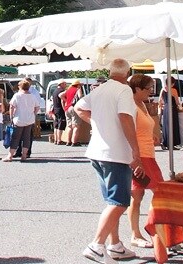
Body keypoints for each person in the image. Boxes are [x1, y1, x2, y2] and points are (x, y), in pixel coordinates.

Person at [75, 58, 142, 262]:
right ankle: (97, 244)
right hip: (115, 153)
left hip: (98, 152)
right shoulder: (123, 91)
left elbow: (78, 108)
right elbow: (125, 118)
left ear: (111, 71)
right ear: (127, 73)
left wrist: (96, 122)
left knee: (112, 202)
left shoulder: (100, 89)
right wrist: (135, 150)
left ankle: (115, 245)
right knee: (119, 202)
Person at [125, 73, 164, 250]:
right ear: (138, 88)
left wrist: (152, 135)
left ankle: (150, 229)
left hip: (148, 154)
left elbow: (142, 127)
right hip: (140, 157)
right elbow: (128, 131)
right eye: (148, 88)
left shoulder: (141, 104)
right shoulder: (131, 105)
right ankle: (138, 233)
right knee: (141, 195)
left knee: (144, 195)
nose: (151, 92)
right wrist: (135, 158)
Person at [5, 80, 38, 162]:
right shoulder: (32, 96)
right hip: (29, 119)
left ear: (20, 87)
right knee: (27, 138)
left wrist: (11, 116)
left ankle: (10, 156)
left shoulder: (17, 95)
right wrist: (33, 114)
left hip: (19, 119)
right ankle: (24, 155)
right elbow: (37, 107)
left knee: (15, 138)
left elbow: (12, 107)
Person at [158, 81, 182, 150]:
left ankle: (165, 142)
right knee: (173, 126)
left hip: (165, 108)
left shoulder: (163, 89)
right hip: (172, 108)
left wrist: (162, 106)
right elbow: (177, 101)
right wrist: (180, 106)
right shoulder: (173, 90)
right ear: (172, 83)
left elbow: (160, 101)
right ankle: (172, 143)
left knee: (166, 125)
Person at [63, 80, 83, 146]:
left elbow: (60, 95)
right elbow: (80, 97)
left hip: (67, 108)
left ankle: (68, 141)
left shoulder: (68, 90)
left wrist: (66, 101)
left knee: (69, 126)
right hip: (73, 107)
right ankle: (74, 142)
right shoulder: (78, 89)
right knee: (76, 126)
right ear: (78, 85)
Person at [51, 80, 68, 145]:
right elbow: (61, 99)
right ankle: (59, 140)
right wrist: (66, 101)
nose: (65, 85)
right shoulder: (61, 91)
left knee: (56, 125)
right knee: (60, 125)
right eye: (65, 84)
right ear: (61, 84)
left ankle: (56, 139)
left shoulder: (55, 91)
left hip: (55, 109)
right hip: (60, 109)